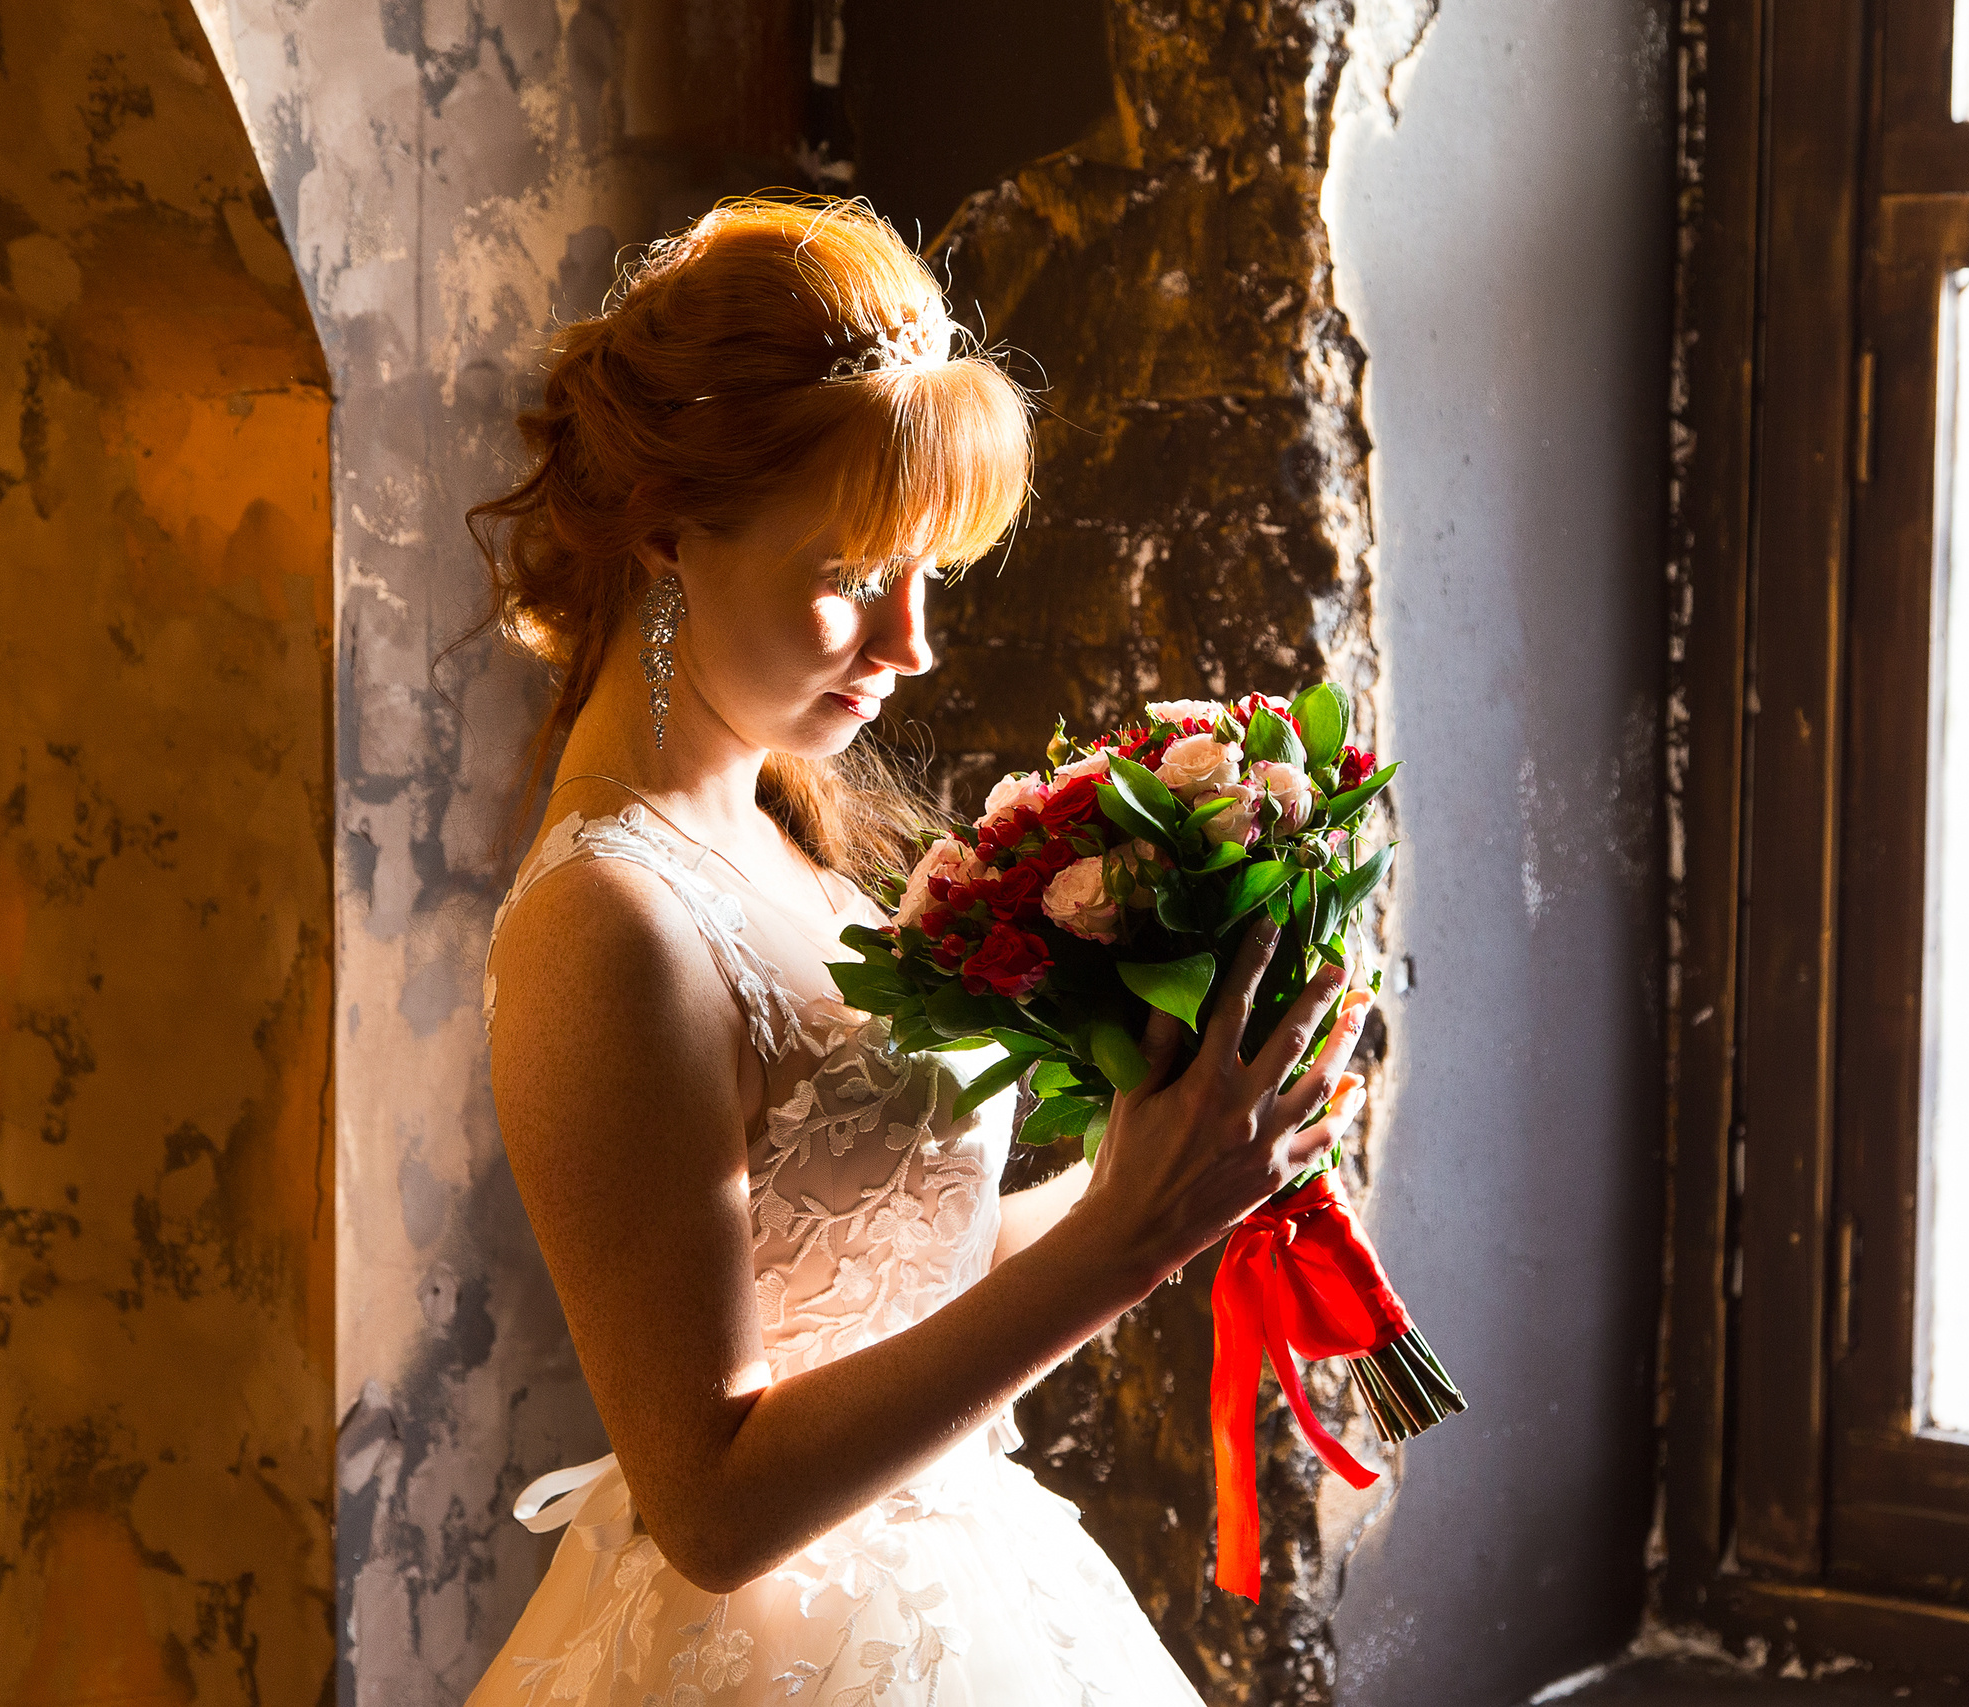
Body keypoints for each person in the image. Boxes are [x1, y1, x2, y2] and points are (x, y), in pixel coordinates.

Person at [462, 197, 1372, 1705]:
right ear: (671, 533)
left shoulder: (798, 850)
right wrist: (1115, 1245)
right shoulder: (605, 923)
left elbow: (898, 1272)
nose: (913, 643)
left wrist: (1172, 1171)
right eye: (853, 572)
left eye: (928, 574)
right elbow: (712, 1510)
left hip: (971, 1591)